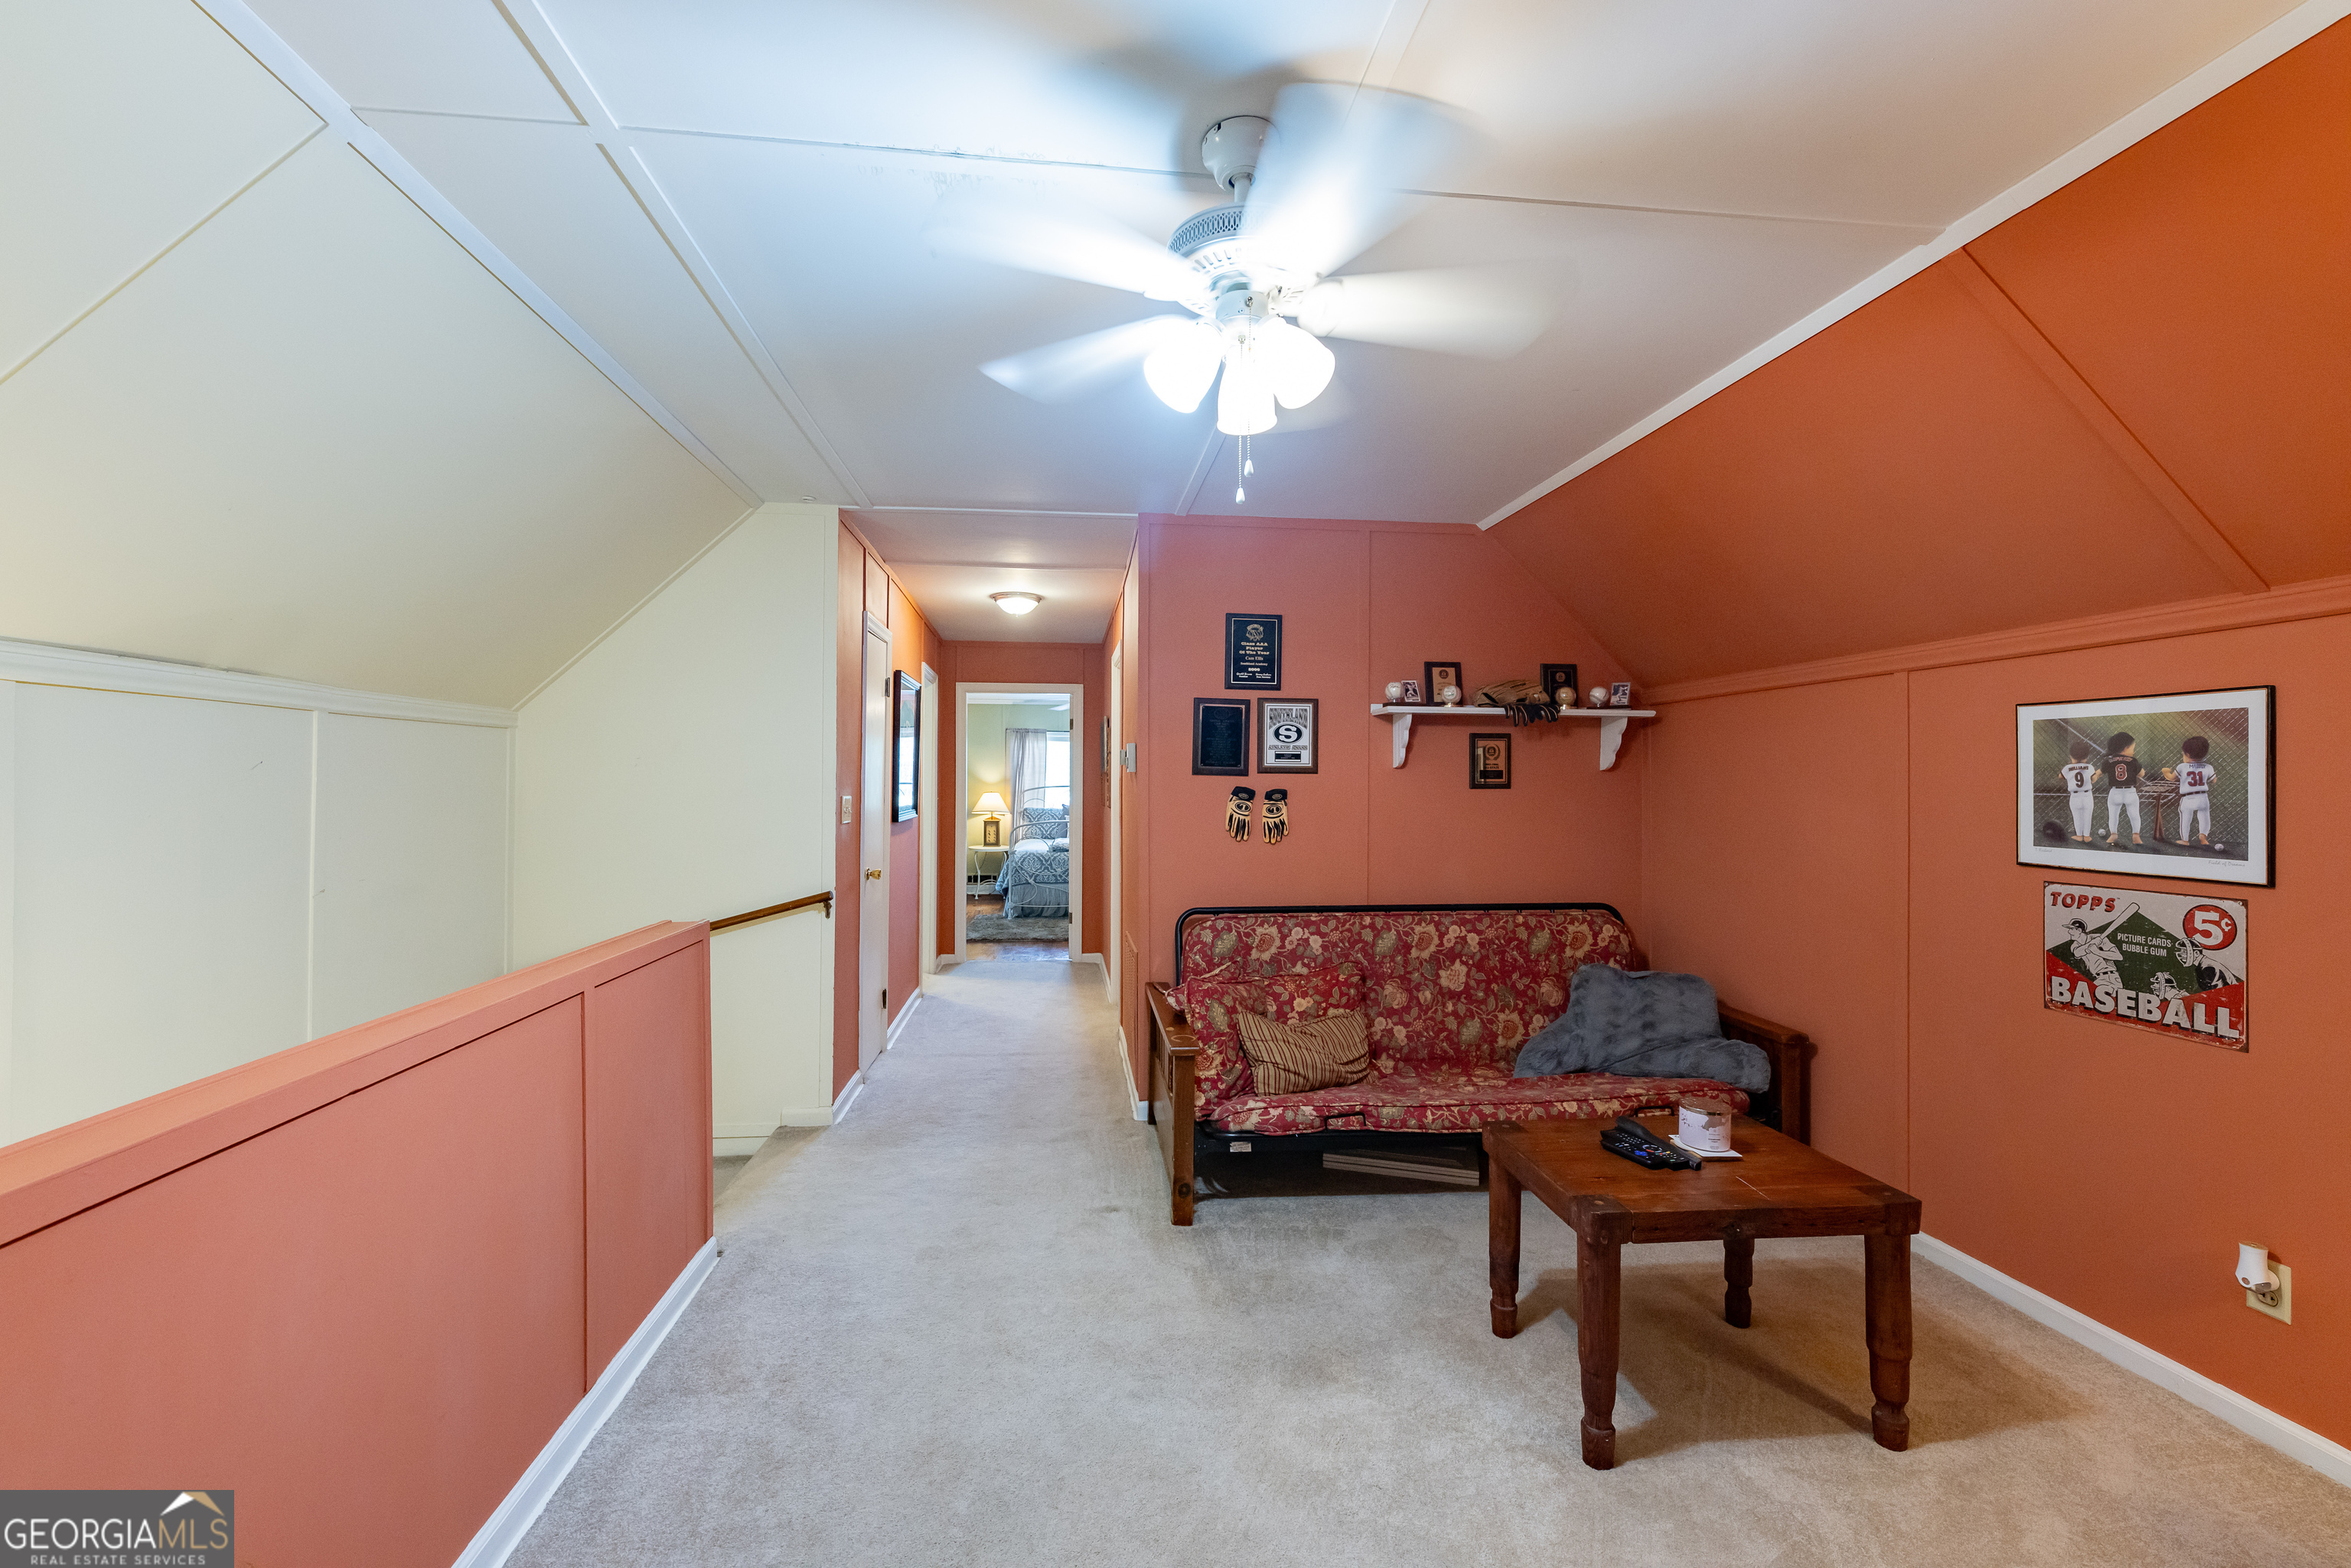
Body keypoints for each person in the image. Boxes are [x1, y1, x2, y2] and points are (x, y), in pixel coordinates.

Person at [2168, 735, 2218, 846]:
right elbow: (2213, 781)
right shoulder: (2208, 767)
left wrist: (2166, 772)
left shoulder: (2182, 767)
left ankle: (2185, 840)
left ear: (2188, 755)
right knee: (2204, 817)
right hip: (2203, 797)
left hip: (2188, 798)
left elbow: (2172, 778)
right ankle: (2203, 837)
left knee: (2185, 819)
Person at [2102, 732, 2145, 846]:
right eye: (2132, 748)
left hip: (2115, 792)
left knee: (2113, 815)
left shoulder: (2109, 760)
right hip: (2130, 792)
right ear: (2126, 748)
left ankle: (2113, 834)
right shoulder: (2133, 760)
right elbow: (2142, 774)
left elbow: (2100, 772)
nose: (2133, 751)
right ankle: (2136, 836)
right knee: (2134, 814)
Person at [2059, 738, 2099, 842]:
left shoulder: (2067, 768)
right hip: (2087, 795)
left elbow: (2061, 776)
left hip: (2075, 796)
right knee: (2087, 816)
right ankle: (2087, 836)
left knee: (2077, 816)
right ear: (2087, 757)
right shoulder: (2089, 767)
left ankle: (2079, 836)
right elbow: (2094, 779)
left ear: (2071, 756)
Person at [2066, 918, 2122, 989]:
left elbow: (2118, 956)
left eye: (2071, 929)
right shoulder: (2075, 945)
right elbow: (2077, 953)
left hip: (2111, 977)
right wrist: (2092, 943)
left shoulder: (2099, 938)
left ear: (2079, 930)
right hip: (2098, 978)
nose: (2069, 932)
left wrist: (2097, 952)